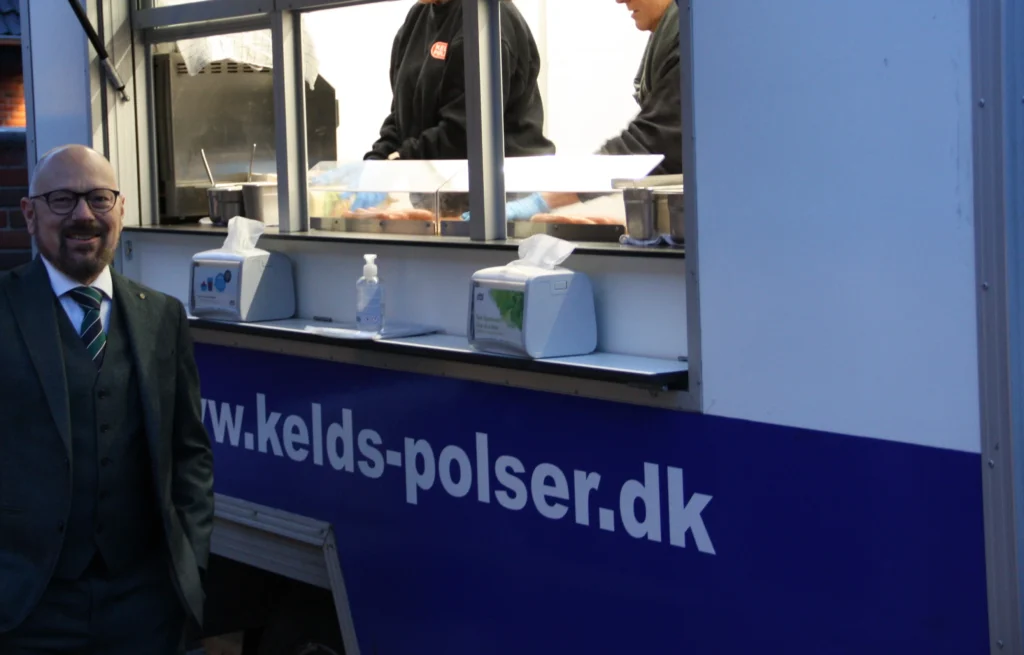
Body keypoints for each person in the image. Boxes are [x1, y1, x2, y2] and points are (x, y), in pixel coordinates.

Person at [0, 144, 214, 654]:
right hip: (26, 609)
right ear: (29, 214)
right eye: (61, 200)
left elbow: (190, 453)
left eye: (99, 199)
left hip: (145, 607)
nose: (83, 215)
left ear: (120, 210)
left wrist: (189, 559)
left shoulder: (162, 316)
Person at [499, 0, 682, 221]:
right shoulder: (670, 35)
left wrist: (544, 200)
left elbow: (653, 143)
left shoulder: (693, 38)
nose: (620, 0)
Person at [365, 0, 555, 162]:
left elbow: (465, 134)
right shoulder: (417, 17)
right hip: (436, 181)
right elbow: (402, 115)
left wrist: (402, 159)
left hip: (501, 184)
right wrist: (377, 159)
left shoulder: (485, 19)